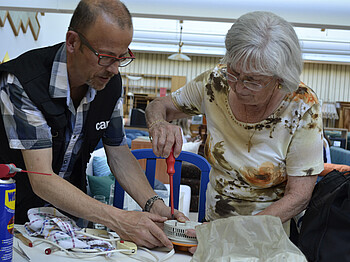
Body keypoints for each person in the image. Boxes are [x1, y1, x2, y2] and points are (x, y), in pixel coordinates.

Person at [0, 0, 186, 249]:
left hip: (67, 221)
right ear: (73, 42)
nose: (114, 69)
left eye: (123, 57)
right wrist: (120, 219)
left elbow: (119, 152)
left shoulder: (110, 85)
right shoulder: (22, 81)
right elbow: (42, 177)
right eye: (106, 57)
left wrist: (155, 206)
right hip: (12, 219)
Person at [145, 11, 324, 252]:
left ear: (279, 78)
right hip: (213, 224)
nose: (239, 87)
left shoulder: (301, 106)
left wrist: (230, 236)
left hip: (267, 236)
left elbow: (299, 196)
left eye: (252, 80)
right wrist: (158, 124)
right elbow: (159, 106)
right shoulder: (215, 83)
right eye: (234, 73)